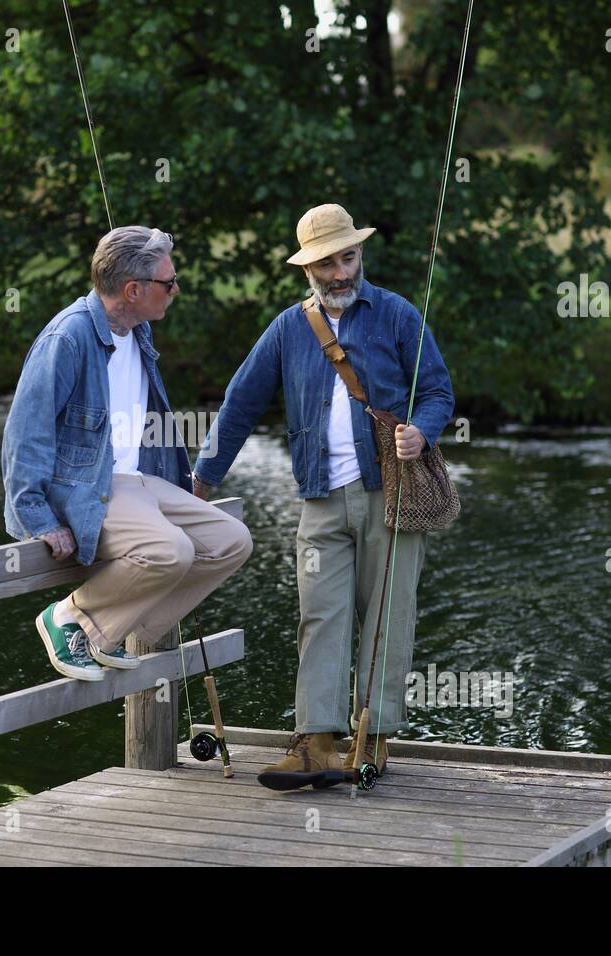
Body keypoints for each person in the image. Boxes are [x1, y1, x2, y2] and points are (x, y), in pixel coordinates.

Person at [192, 203, 454, 789]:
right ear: (306, 268)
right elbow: (239, 405)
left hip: (389, 490)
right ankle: (315, 743)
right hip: (317, 497)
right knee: (320, 615)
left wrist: (422, 431)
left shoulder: (395, 315)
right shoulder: (289, 328)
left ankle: (373, 741)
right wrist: (202, 482)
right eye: (326, 264)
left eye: (349, 257)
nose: (340, 273)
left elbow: (437, 390)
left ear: (360, 254)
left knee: (388, 617)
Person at [2, 226, 253, 681]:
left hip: (139, 482)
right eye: (168, 282)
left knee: (231, 541)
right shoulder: (68, 338)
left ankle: (108, 633)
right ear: (133, 289)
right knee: (171, 549)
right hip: (90, 487)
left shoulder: (137, 332)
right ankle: (69, 618)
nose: (176, 290)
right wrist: (38, 519)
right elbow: (25, 433)